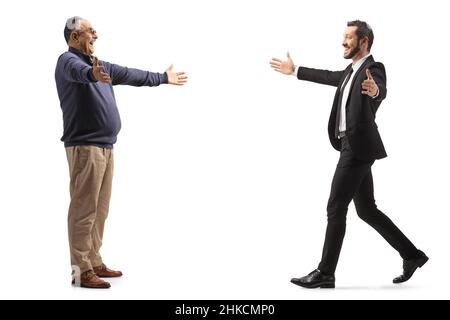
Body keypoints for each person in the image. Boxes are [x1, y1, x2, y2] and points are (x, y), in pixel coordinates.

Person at [270, 20, 427, 288]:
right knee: (366, 210)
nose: (343, 41)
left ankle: (325, 272)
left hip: (357, 148)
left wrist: (375, 91)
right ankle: (412, 255)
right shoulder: (349, 71)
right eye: (343, 36)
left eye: (348, 37)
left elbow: (380, 89)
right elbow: (327, 76)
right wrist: (294, 70)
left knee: (335, 206)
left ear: (363, 41)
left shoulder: (373, 69)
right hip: (351, 146)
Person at [55, 16, 188, 288]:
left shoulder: (99, 64)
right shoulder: (68, 62)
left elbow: (130, 74)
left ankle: (93, 261)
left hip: (105, 147)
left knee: (99, 209)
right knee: (83, 210)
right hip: (85, 148)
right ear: (74, 37)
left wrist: (163, 78)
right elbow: (79, 74)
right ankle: (81, 271)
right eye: (89, 31)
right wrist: (92, 74)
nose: (96, 34)